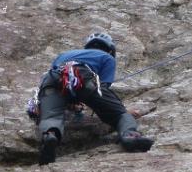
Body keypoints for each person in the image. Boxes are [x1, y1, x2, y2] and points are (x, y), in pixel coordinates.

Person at [37, 32, 154, 165]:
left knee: (51, 116)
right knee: (119, 114)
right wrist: (123, 111)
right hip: (84, 77)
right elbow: (102, 89)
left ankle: (50, 135)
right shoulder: (107, 57)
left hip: (51, 80)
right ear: (110, 49)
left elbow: (61, 80)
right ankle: (129, 135)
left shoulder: (64, 55)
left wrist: (71, 102)